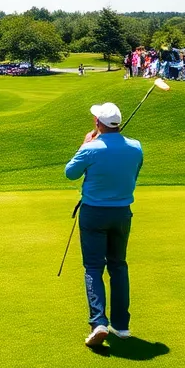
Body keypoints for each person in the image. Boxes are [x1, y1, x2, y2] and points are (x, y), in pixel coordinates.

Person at [65, 102, 143, 347]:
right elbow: (133, 174)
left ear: (98, 123)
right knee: (118, 265)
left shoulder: (91, 148)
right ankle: (121, 326)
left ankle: (98, 322)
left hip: (94, 213)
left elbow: (70, 173)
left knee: (93, 267)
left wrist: (84, 145)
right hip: (122, 213)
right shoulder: (136, 147)